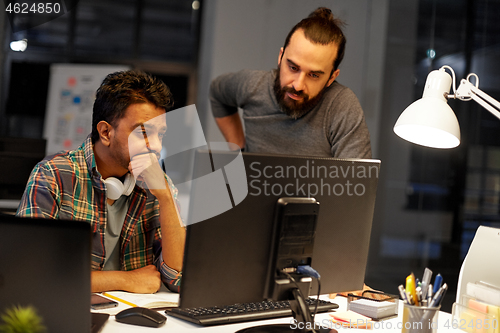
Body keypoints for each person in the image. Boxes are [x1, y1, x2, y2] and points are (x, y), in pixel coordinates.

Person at [17, 70, 186, 294]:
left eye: (160, 134)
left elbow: (179, 279)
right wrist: (124, 280)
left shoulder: (158, 185)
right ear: (106, 132)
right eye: (143, 132)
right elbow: (28, 273)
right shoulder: (53, 175)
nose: (155, 145)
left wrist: (165, 197)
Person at [210, 7, 371, 159]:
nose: (298, 85)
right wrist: (239, 152)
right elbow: (217, 93)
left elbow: (358, 185)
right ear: (280, 57)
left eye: (314, 75)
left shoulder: (341, 106)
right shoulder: (252, 85)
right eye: (293, 67)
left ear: (331, 77)